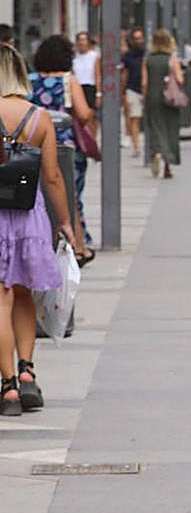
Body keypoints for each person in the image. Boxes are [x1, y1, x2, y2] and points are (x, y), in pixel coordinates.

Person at [0, 45, 78, 416]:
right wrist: (66, 221)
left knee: (0, 298)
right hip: (29, 216)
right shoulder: (40, 117)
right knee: (24, 293)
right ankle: (27, 372)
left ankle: (9, 388)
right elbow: (53, 176)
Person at [29, 35, 95, 266]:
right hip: (63, 146)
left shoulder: (30, 80)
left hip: (34, 143)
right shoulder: (68, 80)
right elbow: (84, 114)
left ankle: (47, 238)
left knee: (40, 194)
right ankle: (78, 245)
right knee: (70, 195)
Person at [143, 29, 184, 179]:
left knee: (155, 127)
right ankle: (168, 164)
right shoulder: (172, 59)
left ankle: (157, 153)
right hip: (170, 99)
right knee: (170, 130)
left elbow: (144, 82)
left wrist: (145, 98)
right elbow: (180, 80)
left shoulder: (148, 59)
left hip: (153, 98)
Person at [121, 28, 147, 157]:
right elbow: (125, 74)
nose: (138, 41)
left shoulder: (148, 54)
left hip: (147, 90)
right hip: (132, 89)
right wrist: (123, 91)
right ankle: (136, 146)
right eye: (136, 38)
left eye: (140, 38)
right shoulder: (128, 56)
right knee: (134, 118)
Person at [72, 32, 100, 111]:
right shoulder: (74, 57)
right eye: (80, 40)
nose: (82, 42)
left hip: (90, 87)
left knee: (91, 112)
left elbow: (97, 75)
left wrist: (98, 94)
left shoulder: (94, 56)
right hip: (77, 86)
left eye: (84, 40)